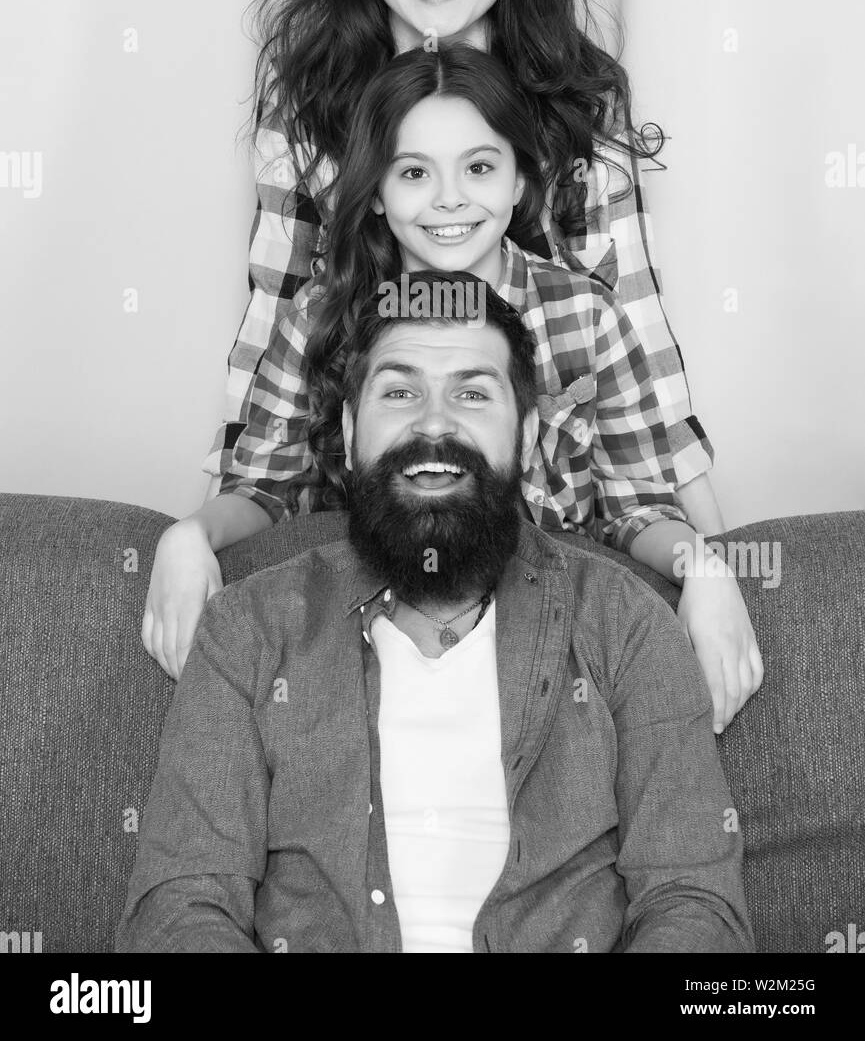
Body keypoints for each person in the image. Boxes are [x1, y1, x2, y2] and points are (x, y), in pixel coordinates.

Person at [143, 0, 723, 669]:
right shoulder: (308, 117)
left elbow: (632, 326)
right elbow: (276, 322)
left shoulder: (576, 110)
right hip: (374, 519)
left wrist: (710, 561)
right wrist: (202, 530)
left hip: (548, 510)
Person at [117, 272, 754, 955]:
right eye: (399, 392)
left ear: (527, 431)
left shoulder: (621, 622)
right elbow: (179, 909)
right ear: (351, 427)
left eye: (472, 393)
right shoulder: (249, 628)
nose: (433, 422)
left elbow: (693, 904)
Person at [151, 46, 762, 733]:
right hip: (375, 644)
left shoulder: (587, 316)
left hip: (546, 655)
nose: (449, 198)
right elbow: (263, 491)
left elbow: (634, 509)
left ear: (518, 182)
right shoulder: (319, 319)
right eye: (414, 172)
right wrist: (188, 535)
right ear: (376, 190)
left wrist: (703, 566)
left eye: (478, 167)